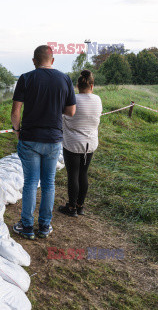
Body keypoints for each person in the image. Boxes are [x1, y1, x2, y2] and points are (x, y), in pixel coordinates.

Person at [11, 45, 76, 240]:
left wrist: (16, 130)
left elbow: (16, 111)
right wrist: (55, 108)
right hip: (53, 139)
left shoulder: (26, 78)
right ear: (53, 60)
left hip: (30, 138)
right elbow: (71, 111)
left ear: (34, 61)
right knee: (49, 183)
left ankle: (27, 226)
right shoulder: (65, 79)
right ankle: (45, 226)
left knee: (30, 182)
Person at [59, 70, 102, 217]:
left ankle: (71, 208)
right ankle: (80, 206)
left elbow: (62, 116)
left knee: (73, 175)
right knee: (83, 173)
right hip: (90, 143)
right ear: (92, 85)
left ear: (77, 86)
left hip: (72, 143)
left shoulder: (72, 99)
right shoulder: (97, 99)